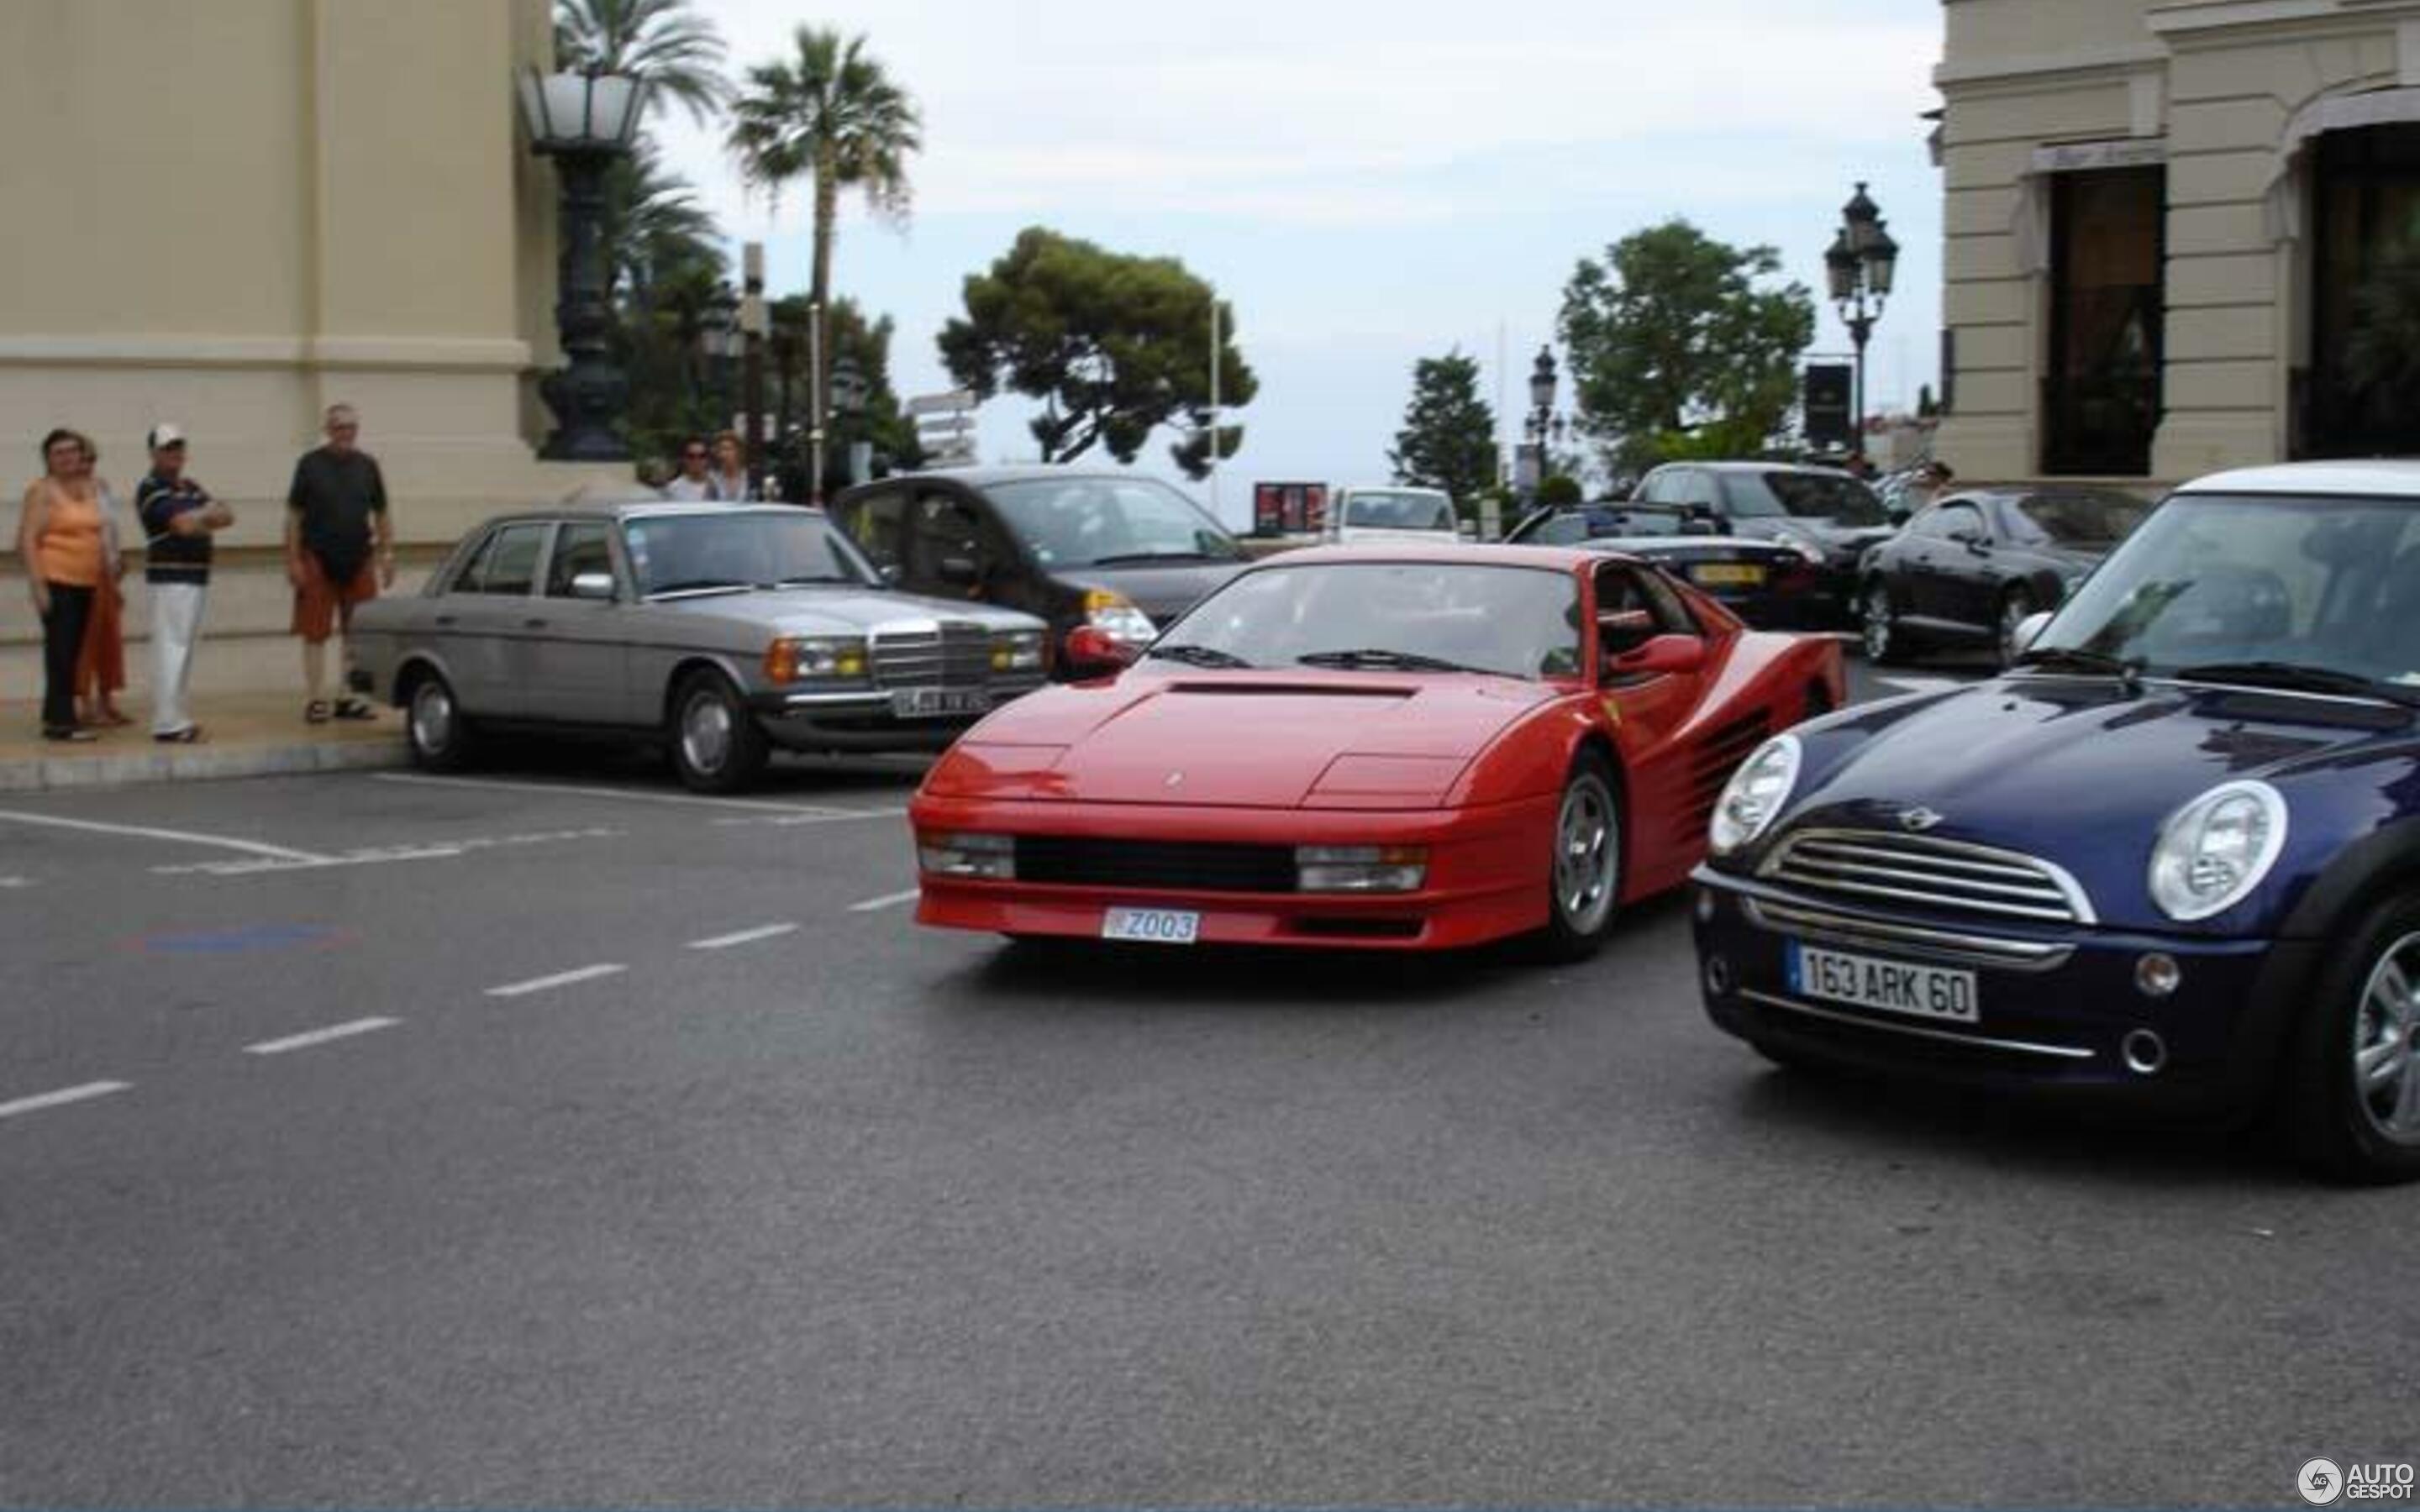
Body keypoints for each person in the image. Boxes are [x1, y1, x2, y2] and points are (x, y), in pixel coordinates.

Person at [284, 402, 392, 723]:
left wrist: (387, 554)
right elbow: (294, 515)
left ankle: (350, 696)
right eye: (340, 427)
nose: (346, 433)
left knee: (356, 632)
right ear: (328, 430)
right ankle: (316, 698)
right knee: (314, 631)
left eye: (351, 427)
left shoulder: (368, 466)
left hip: (359, 556)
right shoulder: (309, 465)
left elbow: (382, 512)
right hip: (317, 556)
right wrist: (293, 559)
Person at [135, 423, 234, 743]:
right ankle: (166, 722)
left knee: (184, 649)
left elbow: (227, 515)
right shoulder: (151, 488)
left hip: (195, 576)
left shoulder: (189, 486)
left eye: (178, 447)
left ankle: (177, 716)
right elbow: (181, 525)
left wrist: (199, 516)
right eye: (167, 448)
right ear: (153, 453)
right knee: (170, 648)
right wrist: (204, 515)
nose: (175, 454)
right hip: (170, 577)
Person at [17, 429, 108, 741]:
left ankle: (55, 712)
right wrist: (38, 585)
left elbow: (102, 530)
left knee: (73, 651)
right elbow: (27, 540)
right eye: (59, 452)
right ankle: (61, 722)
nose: (68, 457)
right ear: (48, 459)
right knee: (60, 651)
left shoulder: (93, 487)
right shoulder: (42, 491)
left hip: (87, 582)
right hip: (57, 580)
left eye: (72, 450)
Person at [72, 435, 129, 727]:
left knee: (110, 637)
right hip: (80, 571)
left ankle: (108, 700)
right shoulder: (65, 492)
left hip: (106, 570)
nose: (88, 466)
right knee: (85, 639)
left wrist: (117, 560)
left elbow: (111, 528)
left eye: (92, 459)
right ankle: (85, 703)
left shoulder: (101, 486)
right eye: (84, 459)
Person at [661, 437, 714, 501]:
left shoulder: (718, 484)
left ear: (708, 459)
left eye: (702, 456)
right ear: (683, 459)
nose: (696, 460)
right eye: (691, 456)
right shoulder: (673, 489)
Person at [707, 430, 753, 501]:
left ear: (738, 451)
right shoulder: (713, 479)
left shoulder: (749, 477)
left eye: (728, 449)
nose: (724, 454)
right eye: (721, 450)